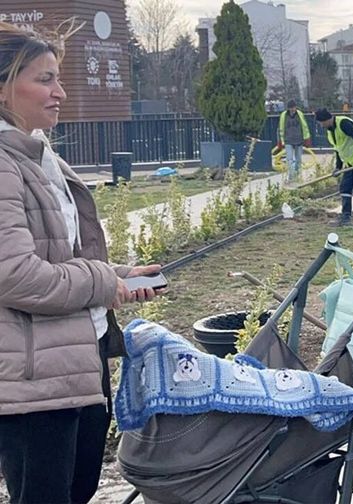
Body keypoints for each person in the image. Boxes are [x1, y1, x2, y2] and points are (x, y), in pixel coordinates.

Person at [0, 22, 164, 503]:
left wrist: (117, 276)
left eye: (58, 78)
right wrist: (99, 281)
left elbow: (60, 257)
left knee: (78, 490)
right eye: (45, 79)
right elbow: (13, 274)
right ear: (4, 87)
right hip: (33, 377)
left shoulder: (37, 154)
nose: (60, 92)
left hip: (78, 353)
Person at [314, 108, 353, 229]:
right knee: (345, 188)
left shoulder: (344, 124)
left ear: (326, 120)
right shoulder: (330, 131)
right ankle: (346, 217)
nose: (320, 125)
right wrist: (338, 167)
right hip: (348, 163)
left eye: (321, 122)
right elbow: (338, 149)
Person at [277, 99, 311, 183]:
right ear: (288, 108)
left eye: (293, 107)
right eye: (290, 108)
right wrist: (280, 141)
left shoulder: (300, 114)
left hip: (299, 140)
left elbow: (305, 127)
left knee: (298, 159)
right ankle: (291, 177)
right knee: (289, 159)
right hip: (288, 140)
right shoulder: (283, 115)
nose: (292, 109)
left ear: (296, 107)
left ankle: (298, 175)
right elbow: (280, 128)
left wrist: (307, 138)